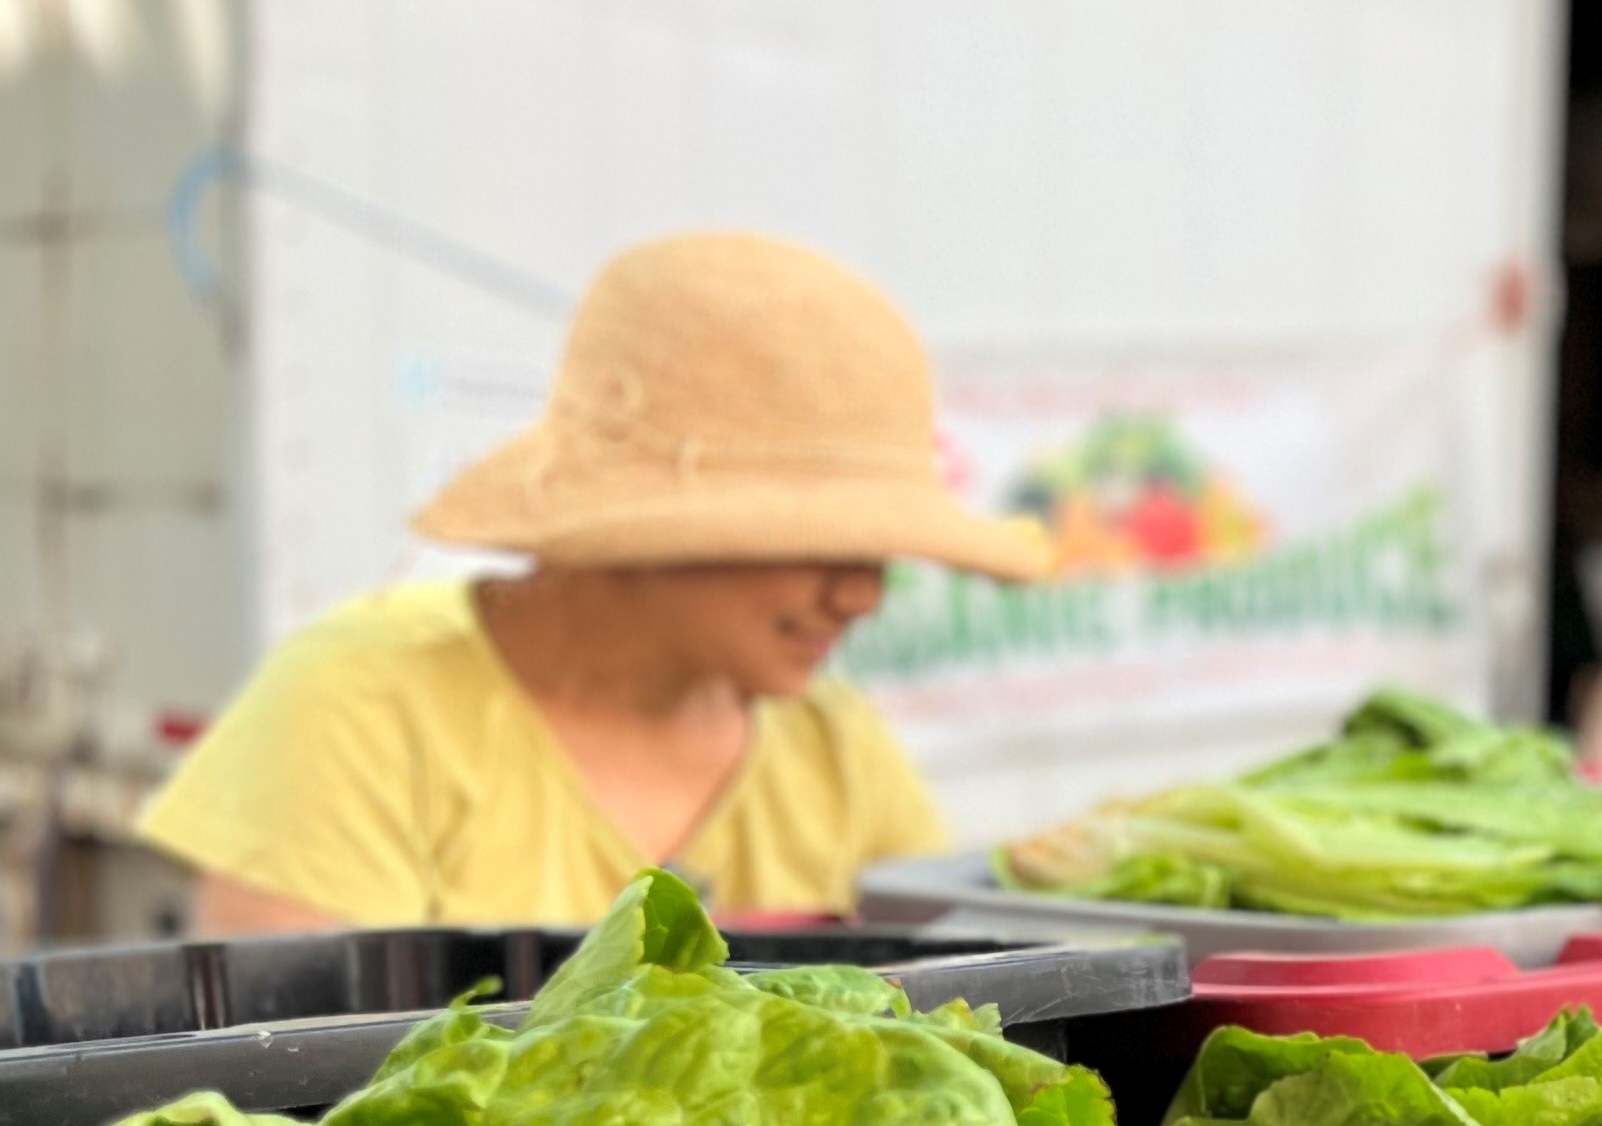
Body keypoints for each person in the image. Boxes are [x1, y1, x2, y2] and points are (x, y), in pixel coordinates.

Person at [140, 232, 1049, 932]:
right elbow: (295, 1105)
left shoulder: (837, 751)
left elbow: (959, 1016)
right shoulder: (361, 707)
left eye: (879, 552)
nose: (861, 596)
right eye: (820, 542)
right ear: (643, 528)